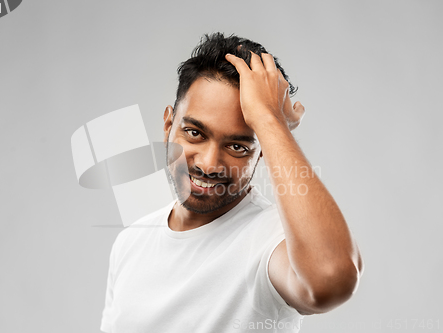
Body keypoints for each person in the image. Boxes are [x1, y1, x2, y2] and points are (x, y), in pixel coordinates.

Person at [100, 32, 364, 333]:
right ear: (168, 126)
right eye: (195, 133)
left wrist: (269, 121)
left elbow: (330, 278)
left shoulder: (273, 241)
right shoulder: (131, 242)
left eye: (237, 147)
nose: (209, 165)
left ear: (262, 150)